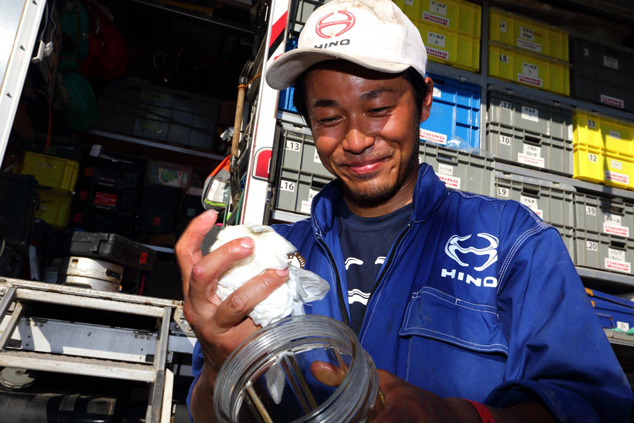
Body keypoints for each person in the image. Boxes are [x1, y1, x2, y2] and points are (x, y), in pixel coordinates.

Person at [176, 0, 633, 421]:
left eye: (378, 108)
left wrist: (460, 417)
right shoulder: (270, 256)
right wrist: (220, 368)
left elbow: (594, 404)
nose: (354, 140)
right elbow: (206, 409)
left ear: (425, 102)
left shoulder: (512, 241)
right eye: (329, 118)